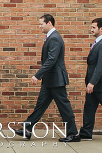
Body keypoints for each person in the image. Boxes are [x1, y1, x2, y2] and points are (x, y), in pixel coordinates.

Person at [13, 14, 79, 143]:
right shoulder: (51, 37)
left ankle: (73, 134)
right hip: (50, 80)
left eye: (41, 24)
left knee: (64, 107)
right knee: (40, 105)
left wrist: (37, 75)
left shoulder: (54, 38)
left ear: (49, 23)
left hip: (56, 79)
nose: (39, 26)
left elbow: (51, 60)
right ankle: (27, 128)